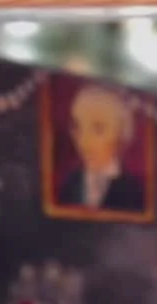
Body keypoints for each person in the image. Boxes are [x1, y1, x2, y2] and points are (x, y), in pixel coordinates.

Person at [58, 85, 144, 213]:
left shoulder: (133, 191)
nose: (84, 141)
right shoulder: (70, 184)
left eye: (98, 129)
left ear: (121, 133)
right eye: (77, 128)